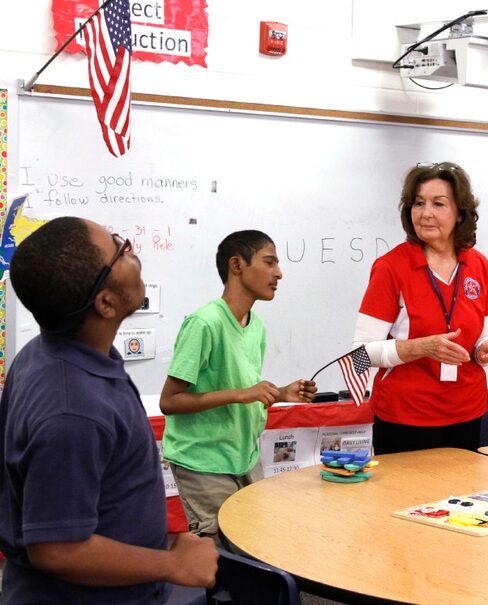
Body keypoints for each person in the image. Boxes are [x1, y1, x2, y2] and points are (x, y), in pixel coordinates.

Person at [0, 217, 217, 604]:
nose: (132, 251)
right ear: (105, 303)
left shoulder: (52, 353)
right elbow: (56, 549)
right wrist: (172, 565)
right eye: (120, 248)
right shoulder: (72, 410)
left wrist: (162, 537)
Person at [160, 230, 316, 541]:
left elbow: (243, 387)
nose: (279, 273)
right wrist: (241, 395)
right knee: (223, 554)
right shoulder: (205, 323)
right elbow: (170, 401)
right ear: (237, 265)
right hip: (204, 460)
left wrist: (282, 393)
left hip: (244, 455)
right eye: (269, 262)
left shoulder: (254, 324)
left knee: (254, 542)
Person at [353, 162, 488, 455]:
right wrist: (422, 347)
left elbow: (486, 337)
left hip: (467, 412)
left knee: (462, 499)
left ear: (460, 212)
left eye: (438, 204)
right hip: (405, 418)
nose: (425, 213)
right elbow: (361, 353)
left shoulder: (479, 265)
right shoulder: (390, 267)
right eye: (418, 203)